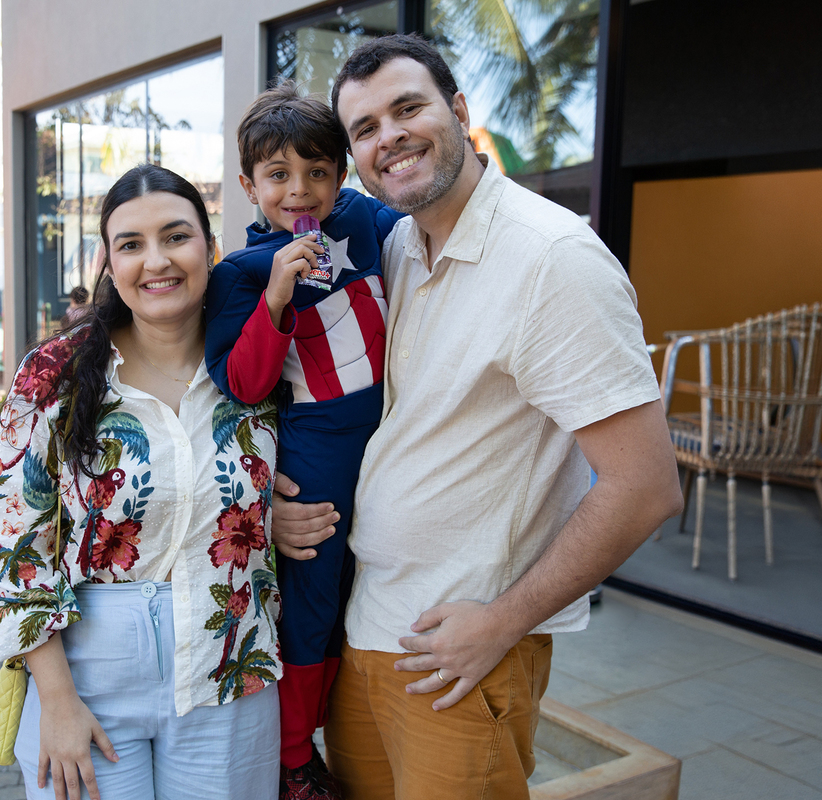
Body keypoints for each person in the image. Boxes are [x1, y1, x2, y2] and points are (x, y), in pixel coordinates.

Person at [270, 34, 684, 800]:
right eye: (365, 128)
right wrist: (278, 501)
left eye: (408, 108)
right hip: (367, 627)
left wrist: (502, 621)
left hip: (462, 653)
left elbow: (645, 486)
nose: (389, 137)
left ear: (459, 110)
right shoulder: (396, 245)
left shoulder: (551, 258)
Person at [0, 164, 283, 800]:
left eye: (176, 236)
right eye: (132, 244)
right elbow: (13, 545)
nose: (156, 261)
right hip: (86, 680)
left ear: (209, 247)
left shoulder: (260, 364)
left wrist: (288, 513)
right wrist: (57, 700)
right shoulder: (57, 374)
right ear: (109, 263)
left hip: (229, 663)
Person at [204, 81, 404, 799]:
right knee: (313, 603)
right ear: (249, 185)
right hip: (317, 451)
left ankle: (354, 728)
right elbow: (241, 383)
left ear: (342, 173)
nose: (300, 190)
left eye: (317, 171)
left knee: (369, 592)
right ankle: (293, 756)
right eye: (278, 174)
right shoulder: (239, 273)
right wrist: (276, 298)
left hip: (397, 444)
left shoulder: (367, 219)